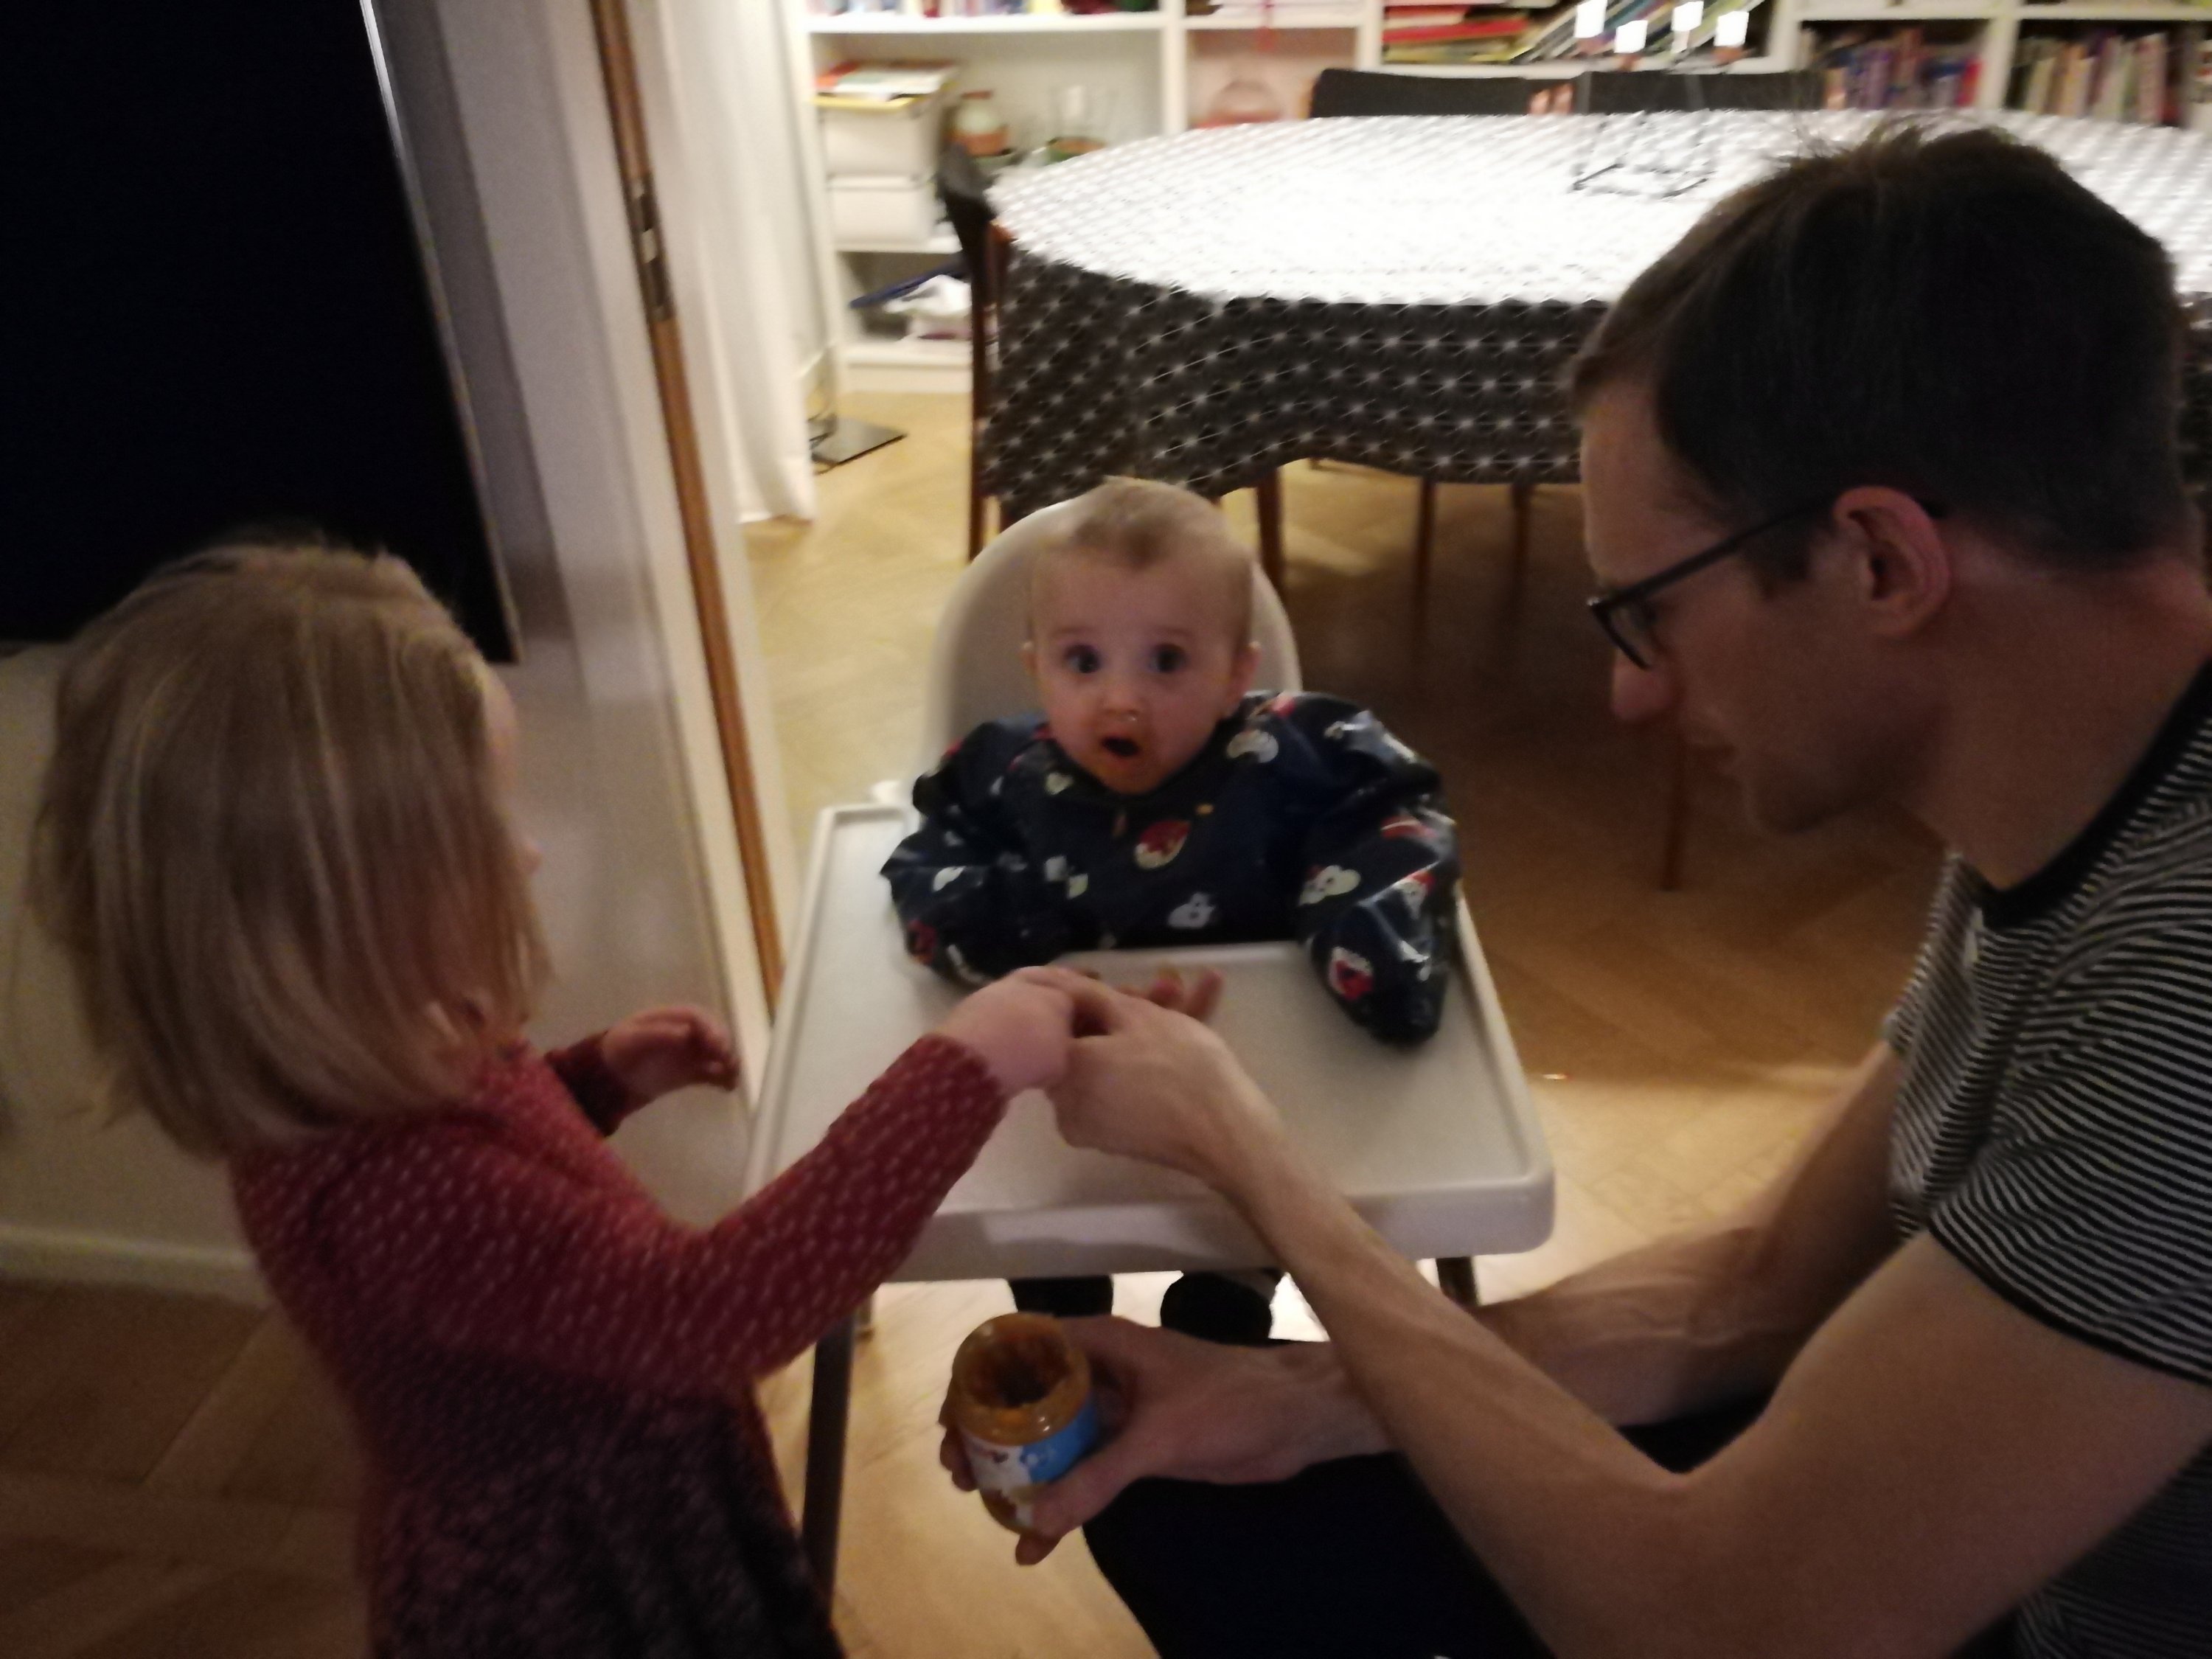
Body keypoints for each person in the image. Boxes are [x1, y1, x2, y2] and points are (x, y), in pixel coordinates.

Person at [947, 125, 2212, 1658]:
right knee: (1189, 1494)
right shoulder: (2074, 781)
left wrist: (1247, 1151)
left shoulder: (2182, 992)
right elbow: (1754, 1290)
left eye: (1647, 613)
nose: (1629, 695)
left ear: (1881, 561)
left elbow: (1715, 1625)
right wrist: (1291, 1395)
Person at [29, 544, 1081, 1659]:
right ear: (336, 912)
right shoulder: (384, 1183)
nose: (527, 853)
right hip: (583, 1581)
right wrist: (963, 1070)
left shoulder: (374, 1054)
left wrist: (595, 1080)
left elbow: (499, 1232)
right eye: (484, 827)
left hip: (613, 1494)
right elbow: (711, 1314)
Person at [883, 476, 1459, 1343]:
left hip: (1244, 1087)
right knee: (1033, 1208)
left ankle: (1228, 1296)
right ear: (1036, 667)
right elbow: (926, 871)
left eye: (1166, 662)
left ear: (1235, 676)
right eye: (1084, 662)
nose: (1122, 699)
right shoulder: (1006, 774)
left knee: (1268, 1191)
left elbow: (1395, 813)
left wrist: (1367, 939)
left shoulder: (1288, 757)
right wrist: (1025, 926)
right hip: (1066, 1110)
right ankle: (1060, 1296)